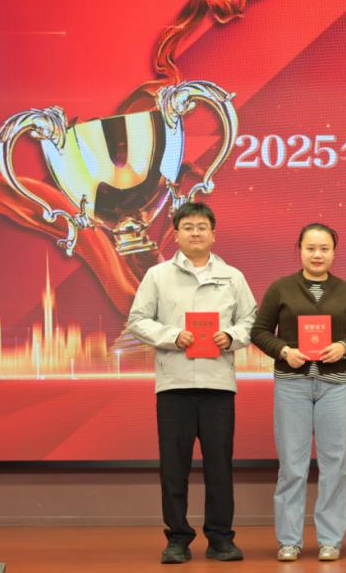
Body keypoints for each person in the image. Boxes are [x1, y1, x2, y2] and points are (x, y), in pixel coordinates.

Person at [127, 201, 257, 564]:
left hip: (218, 386)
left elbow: (250, 319)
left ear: (213, 234)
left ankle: (221, 538)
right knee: (174, 467)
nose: (195, 233)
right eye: (188, 227)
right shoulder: (157, 275)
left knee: (219, 466)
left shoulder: (233, 276)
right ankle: (177, 539)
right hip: (174, 384)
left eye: (202, 227)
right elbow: (138, 319)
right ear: (176, 234)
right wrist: (172, 336)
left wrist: (231, 337)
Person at [251, 223, 346, 562]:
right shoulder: (281, 288)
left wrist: (344, 347)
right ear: (300, 250)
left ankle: (330, 539)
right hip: (292, 385)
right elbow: (259, 331)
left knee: (335, 464)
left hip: (336, 386)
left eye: (324, 249)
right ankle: (289, 540)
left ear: (334, 252)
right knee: (292, 465)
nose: (317, 255)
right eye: (310, 248)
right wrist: (284, 351)